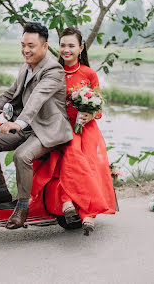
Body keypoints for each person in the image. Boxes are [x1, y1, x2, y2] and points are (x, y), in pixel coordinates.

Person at [0, 22, 73, 229]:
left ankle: (22, 207)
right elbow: (9, 94)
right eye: (23, 44)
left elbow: (37, 98)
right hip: (25, 127)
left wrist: (18, 123)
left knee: (21, 155)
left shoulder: (53, 70)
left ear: (44, 47)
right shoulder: (25, 67)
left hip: (48, 129)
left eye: (31, 46)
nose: (25, 50)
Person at [32, 27, 118, 235]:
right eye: (63, 45)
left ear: (81, 48)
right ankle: (74, 206)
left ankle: (78, 207)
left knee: (80, 158)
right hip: (60, 127)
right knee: (70, 152)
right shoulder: (53, 73)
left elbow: (99, 109)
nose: (66, 49)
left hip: (85, 129)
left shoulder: (89, 74)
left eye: (71, 45)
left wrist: (90, 114)